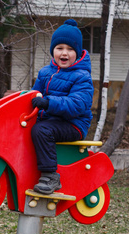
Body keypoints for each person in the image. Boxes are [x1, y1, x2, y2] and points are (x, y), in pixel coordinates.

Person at [30, 19, 94, 194]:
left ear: (78, 52)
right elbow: (33, 96)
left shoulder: (82, 76)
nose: (64, 53)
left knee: (42, 130)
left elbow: (78, 104)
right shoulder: (45, 73)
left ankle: (51, 176)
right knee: (27, 127)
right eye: (59, 48)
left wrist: (48, 102)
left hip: (73, 124)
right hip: (50, 122)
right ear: (53, 51)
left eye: (70, 49)